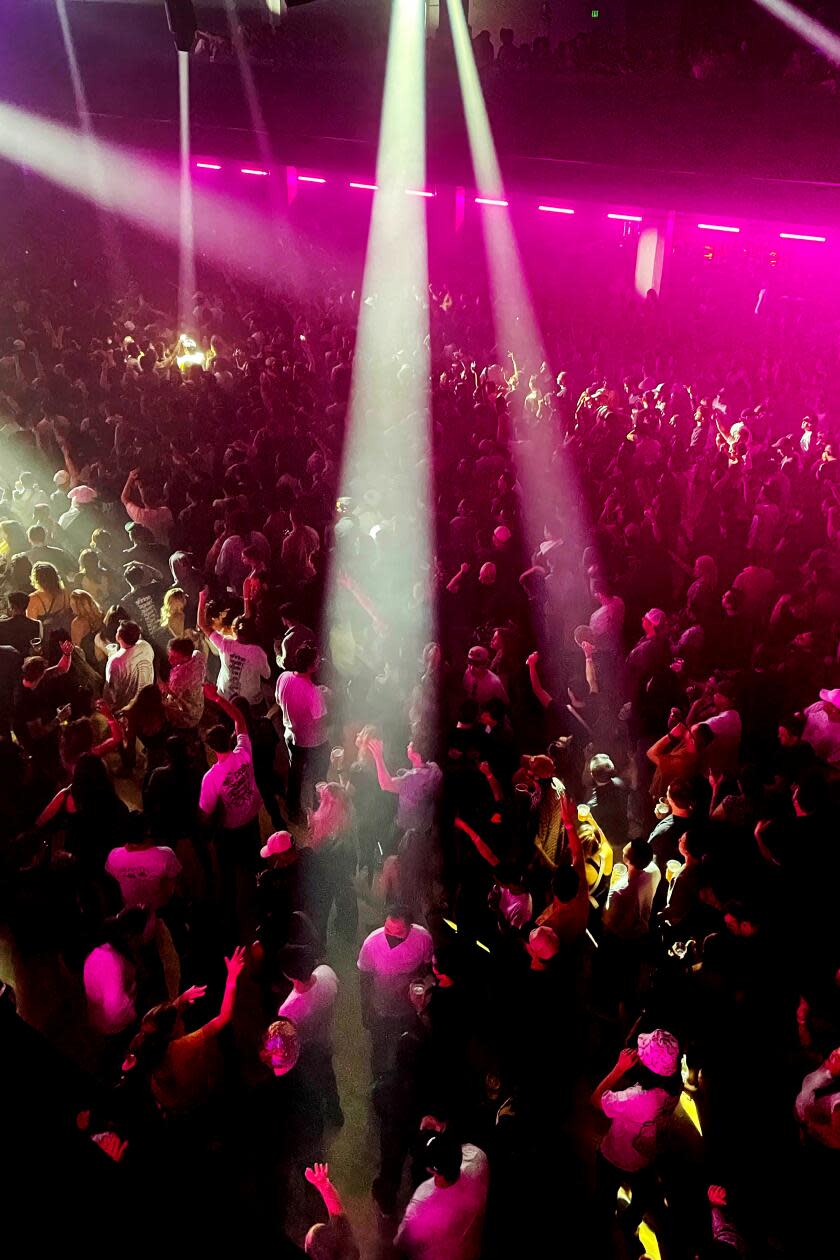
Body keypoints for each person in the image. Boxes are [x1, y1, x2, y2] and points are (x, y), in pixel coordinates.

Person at [123, 946, 246, 1114]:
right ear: (172, 1032)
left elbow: (161, 1026)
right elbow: (224, 1017)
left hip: (167, 1099)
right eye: (178, 1018)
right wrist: (231, 977)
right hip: (189, 1099)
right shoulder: (181, 1048)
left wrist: (180, 1001)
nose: (180, 1016)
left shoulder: (145, 1038)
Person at [590, 1030, 682, 1245]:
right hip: (644, 1157)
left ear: (648, 1068)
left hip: (614, 1156)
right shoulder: (674, 1085)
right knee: (643, 1195)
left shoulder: (638, 1098)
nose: (638, 1054)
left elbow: (595, 1099)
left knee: (604, 1197)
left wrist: (619, 1068)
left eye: (642, 1053)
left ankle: (603, 1235)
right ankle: (628, 1223)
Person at [199, 683, 263, 913]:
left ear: (211, 749)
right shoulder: (244, 750)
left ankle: (231, 910)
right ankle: (261, 892)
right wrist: (216, 698)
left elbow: (206, 813)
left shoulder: (211, 778)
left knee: (228, 871)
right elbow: (239, 718)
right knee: (255, 858)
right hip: (252, 814)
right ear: (231, 737)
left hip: (231, 828)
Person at [357, 905, 433, 1075]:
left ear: (410, 927)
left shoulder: (422, 939)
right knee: (380, 1047)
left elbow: (427, 967)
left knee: (407, 1046)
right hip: (381, 1007)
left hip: (409, 1007)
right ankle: (378, 1078)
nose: (391, 935)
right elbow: (365, 977)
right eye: (387, 929)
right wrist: (366, 1008)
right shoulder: (372, 943)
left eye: (398, 932)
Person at [394, 1130, 489, 1260]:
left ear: (431, 1169)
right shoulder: (478, 1158)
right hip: (470, 1250)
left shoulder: (422, 1200)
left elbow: (401, 1241)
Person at [278, 945, 343, 1126]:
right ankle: (335, 1112)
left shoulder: (288, 1008)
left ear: (288, 975)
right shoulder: (326, 973)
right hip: (325, 1039)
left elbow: (289, 1036)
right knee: (328, 1077)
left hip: (306, 1049)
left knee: (311, 1084)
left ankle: (317, 1122)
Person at [275, 641, 330, 821]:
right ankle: (318, 808)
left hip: (291, 736)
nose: (318, 663)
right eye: (316, 661)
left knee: (295, 773)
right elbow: (321, 721)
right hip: (313, 742)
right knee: (319, 773)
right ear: (310, 667)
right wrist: (325, 698)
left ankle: (292, 808)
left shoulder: (283, 677)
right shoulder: (313, 692)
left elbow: (278, 700)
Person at [199, 590, 270, 708]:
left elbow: (202, 624)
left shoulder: (225, 643)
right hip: (249, 701)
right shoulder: (257, 652)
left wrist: (201, 599)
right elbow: (266, 674)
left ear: (234, 630)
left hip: (225, 697)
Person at [105, 817, 182, 911]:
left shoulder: (114, 855)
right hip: (161, 912)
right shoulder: (165, 854)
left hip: (128, 914)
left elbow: (111, 883)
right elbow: (176, 882)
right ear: (148, 832)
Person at [302, 1163, 360, 1260]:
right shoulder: (351, 1253)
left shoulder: (350, 1253)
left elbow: (338, 1217)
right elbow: (338, 1216)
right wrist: (324, 1186)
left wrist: (323, 1186)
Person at [102, 620, 155, 710]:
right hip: (148, 700)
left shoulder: (115, 662)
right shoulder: (145, 646)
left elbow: (110, 694)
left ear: (118, 637)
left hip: (128, 710)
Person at [161, 635, 205, 729]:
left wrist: (165, 689)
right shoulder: (198, 655)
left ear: (185, 657)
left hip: (189, 717)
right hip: (199, 706)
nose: (169, 660)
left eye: (174, 657)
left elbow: (172, 697)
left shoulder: (178, 678)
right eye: (170, 655)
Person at [27, 561, 71, 642]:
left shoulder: (34, 598)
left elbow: (31, 626)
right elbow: (67, 613)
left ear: (37, 579)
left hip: (47, 641)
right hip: (65, 637)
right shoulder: (65, 593)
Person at [0, 590, 41, 656]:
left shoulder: (1, 625)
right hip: (28, 662)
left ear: (12, 606)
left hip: (7, 663)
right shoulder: (36, 624)